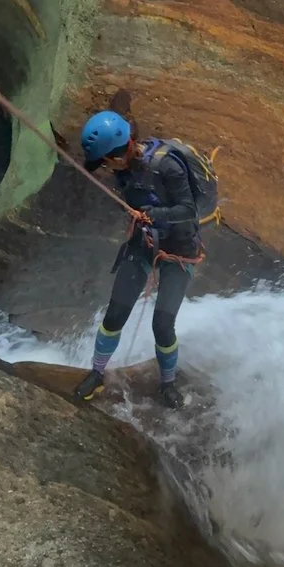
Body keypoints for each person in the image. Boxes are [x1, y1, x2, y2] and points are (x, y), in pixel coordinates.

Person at [74, 110, 204, 409]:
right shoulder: (124, 169)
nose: (108, 167)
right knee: (115, 315)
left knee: (162, 324)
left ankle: (168, 383)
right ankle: (96, 372)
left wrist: (154, 214)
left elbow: (188, 210)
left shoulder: (167, 166)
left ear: (124, 149)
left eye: (108, 160)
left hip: (179, 251)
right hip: (144, 244)